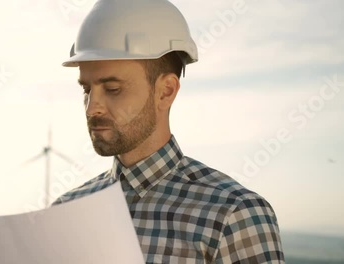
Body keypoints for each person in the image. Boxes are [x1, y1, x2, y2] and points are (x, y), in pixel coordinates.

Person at [52, 0, 285, 262]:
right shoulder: (65, 212)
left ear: (165, 91)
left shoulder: (234, 214)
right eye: (86, 89)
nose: (92, 107)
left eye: (113, 89)